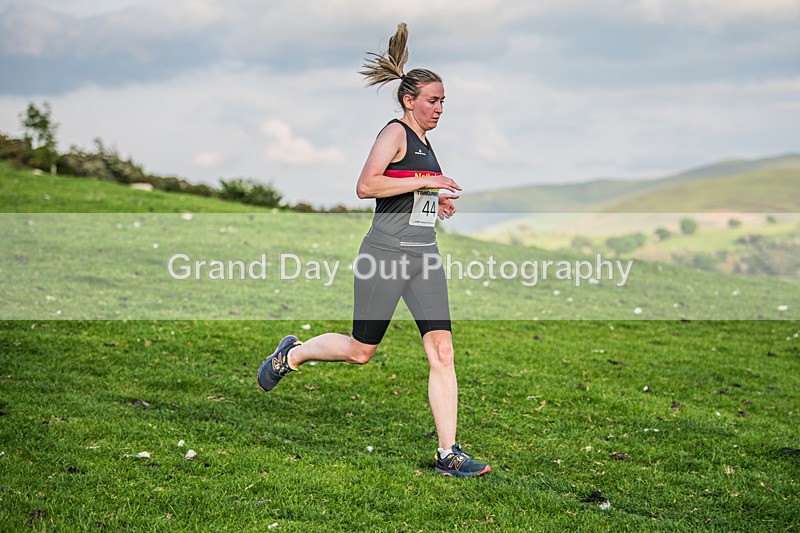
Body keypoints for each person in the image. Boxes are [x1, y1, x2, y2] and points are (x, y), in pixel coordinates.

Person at [257, 22, 490, 478]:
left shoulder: (424, 141)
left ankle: (449, 453)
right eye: (433, 100)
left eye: (443, 101)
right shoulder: (395, 133)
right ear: (409, 100)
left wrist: (433, 200)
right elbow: (366, 186)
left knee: (442, 351)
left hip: (423, 255)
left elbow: (400, 187)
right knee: (361, 351)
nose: (440, 108)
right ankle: (293, 354)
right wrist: (428, 181)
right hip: (385, 255)